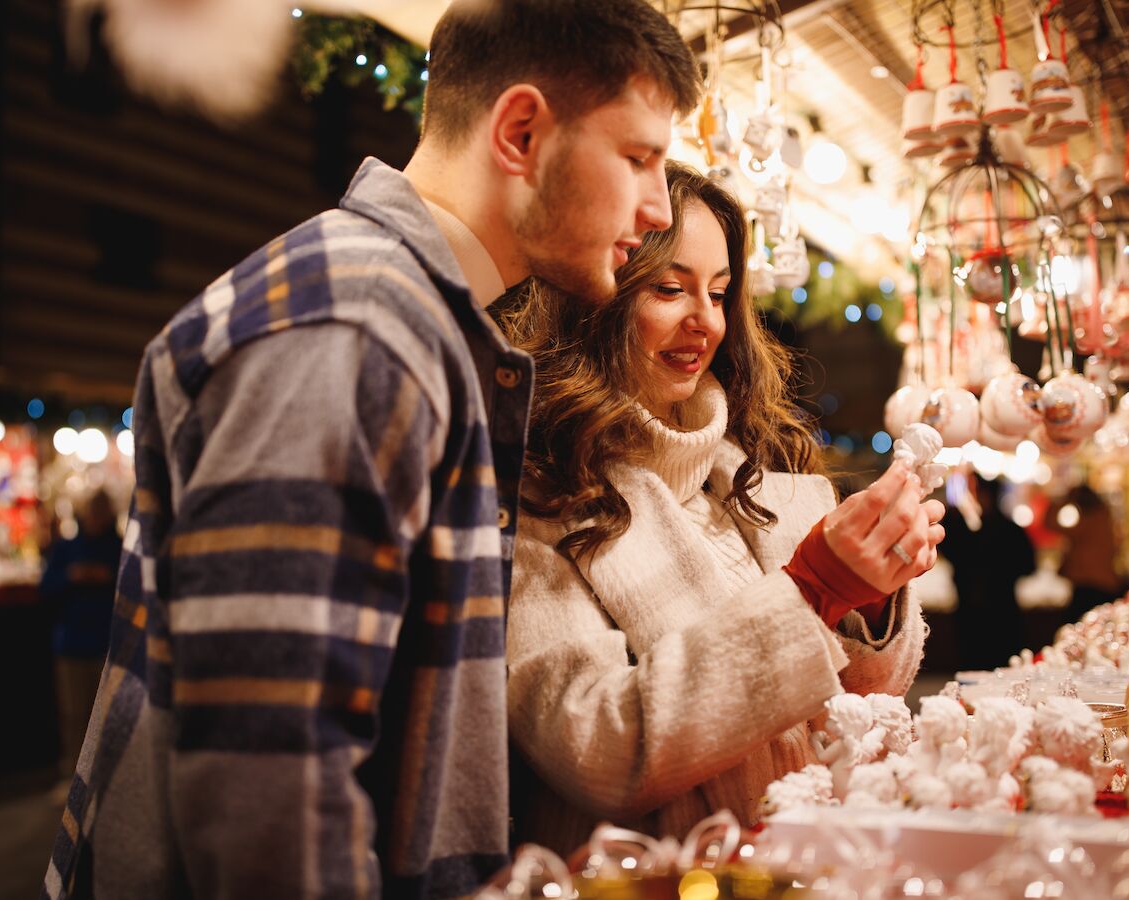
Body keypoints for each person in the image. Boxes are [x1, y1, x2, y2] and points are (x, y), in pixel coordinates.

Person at [42, 3, 700, 898]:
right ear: (520, 132)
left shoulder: (404, 316)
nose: (658, 206)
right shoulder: (359, 326)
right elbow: (270, 772)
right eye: (639, 158)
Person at [495, 163, 942, 852]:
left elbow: (858, 700)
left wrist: (871, 598)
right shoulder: (538, 498)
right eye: (669, 288)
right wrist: (812, 593)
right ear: (593, 298)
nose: (704, 320)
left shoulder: (766, 474)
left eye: (721, 292)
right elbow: (598, 750)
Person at [40, 491, 122, 777]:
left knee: (106, 716)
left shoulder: (118, 548)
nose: (96, 517)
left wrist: (107, 577)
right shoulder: (67, 548)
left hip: (107, 645)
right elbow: (46, 587)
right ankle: (73, 777)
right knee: (74, 716)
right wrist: (71, 576)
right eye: (93, 510)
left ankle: (104, 777)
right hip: (72, 642)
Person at [939, 476, 1035, 670]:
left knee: (982, 662)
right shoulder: (1007, 529)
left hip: (990, 609)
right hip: (991, 608)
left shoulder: (973, 529)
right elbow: (1029, 566)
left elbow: (1028, 565)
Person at [1051, 484, 1121, 624]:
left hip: (1089, 586)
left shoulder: (1087, 521)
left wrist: (1065, 500)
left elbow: (1049, 522)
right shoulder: (1104, 516)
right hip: (1105, 583)